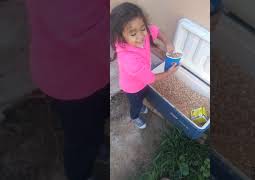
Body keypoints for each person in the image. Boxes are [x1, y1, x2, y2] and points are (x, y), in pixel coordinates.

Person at [25, 1, 109, 180]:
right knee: (80, 141)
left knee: (86, 122)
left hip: (56, 65)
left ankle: (96, 141)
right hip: (79, 74)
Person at [110, 2, 179, 129]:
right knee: (135, 104)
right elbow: (151, 78)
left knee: (143, 95)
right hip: (132, 88)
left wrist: (168, 43)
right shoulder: (128, 59)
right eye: (133, 33)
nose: (141, 36)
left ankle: (141, 105)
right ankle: (135, 116)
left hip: (142, 81)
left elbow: (156, 31)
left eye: (142, 29)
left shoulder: (143, 32)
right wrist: (169, 73)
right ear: (121, 36)